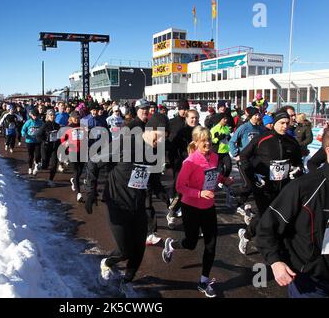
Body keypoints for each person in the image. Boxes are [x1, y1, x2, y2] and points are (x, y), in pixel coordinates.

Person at [85, 113, 170, 297]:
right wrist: (91, 191)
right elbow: (93, 163)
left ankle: (126, 281)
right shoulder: (125, 143)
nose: (161, 141)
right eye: (159, 135)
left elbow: (153, 178)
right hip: (117, 203)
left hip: (137, 204)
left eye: (165, 138)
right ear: (149, 130)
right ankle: (107, 262)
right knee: (125, 250)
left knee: (139, 249)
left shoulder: (155, 152)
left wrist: (164, 195)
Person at [256, 129, 329, 298]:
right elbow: (267, 227)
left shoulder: (291, 143)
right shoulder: (304, 187)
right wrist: (275, 261)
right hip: (311, 282)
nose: (285, 125)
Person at [162, 126, 233, 298]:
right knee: (191, 243)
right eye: (203, 140)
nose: (207, 143)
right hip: (191, 207)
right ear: (196, 142)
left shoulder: (215, 157)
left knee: (211, 244)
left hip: (208, 207)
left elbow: (213, 175)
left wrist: (224, 179)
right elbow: (180, 187)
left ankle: (203, 281)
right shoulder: (190, 162)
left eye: (208, 139)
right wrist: (199, 193)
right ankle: (172, 245)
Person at [237, 110, 304, 255]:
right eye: (281, 123)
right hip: (263, 186)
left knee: (281, 216)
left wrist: (297, 170)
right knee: (266, 215)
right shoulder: (262, 139)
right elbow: (244, 157)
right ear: (274, 124)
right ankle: (247, 236)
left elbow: (299, 163)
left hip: (284, 186)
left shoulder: (291, 142)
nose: (285, 126)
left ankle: (277, 246)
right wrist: (253, 175)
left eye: (287, 123)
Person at [62, 111, 86, 202]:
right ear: (71, 118)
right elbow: (62, 139)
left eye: (78, 117)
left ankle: (73, 180)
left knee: (80, 170)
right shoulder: (68, 128)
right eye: (75, 117)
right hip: (73, 152)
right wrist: (66, 143)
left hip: (82, 151)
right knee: (76, 171)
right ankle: (78, 193)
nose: (76, 119)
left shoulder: (83, 126)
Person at [37, 109, 61, 187]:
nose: (52, 116)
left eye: (54, 115)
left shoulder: (57, 125)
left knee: (54, 165)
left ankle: (50, 180)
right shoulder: (45, 125)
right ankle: (40, 165)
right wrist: (44, 141)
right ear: (48, 116)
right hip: (46, 147)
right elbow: (38, 136)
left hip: (55, 147)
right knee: (45, 166)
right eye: (51, 115)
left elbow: (60, 136)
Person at [21, 108, 44, 175]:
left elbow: (44, 129)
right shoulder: (28, 122)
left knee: (38, 155)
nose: (35, 117)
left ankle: (36, 166)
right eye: (34, 115)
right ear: (31, 115)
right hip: (29, 141)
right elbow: (23, 129)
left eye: (36, 115)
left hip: (37, 141)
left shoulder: (40, 122)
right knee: (30, 156)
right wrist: (24, 134)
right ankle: (30, 168)